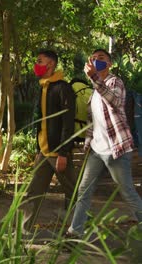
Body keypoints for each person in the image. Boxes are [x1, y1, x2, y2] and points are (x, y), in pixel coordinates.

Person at [67, 49, 142, 237]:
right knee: (83, 191)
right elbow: (93, 123)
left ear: (109, 64)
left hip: (115, 149)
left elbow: (115, 102)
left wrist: (94, 77)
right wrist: (88, 143)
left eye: (101, 58)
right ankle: (75, 232)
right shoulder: (93, 91)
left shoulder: (115, 82)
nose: (96, 61)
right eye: (93, 58)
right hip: (96, 151)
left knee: (127, 192)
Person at [21, 50, 78, 233]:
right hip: (44, 153)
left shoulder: (63, 88)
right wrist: (39, 149)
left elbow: (68, 123)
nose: (36, 65)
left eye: (39, 61)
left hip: (58, 152)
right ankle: (25, 230)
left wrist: (63, 152)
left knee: (72, 193)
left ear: (51, 64)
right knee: (32, 193)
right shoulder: (43, 86)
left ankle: (78, 229)